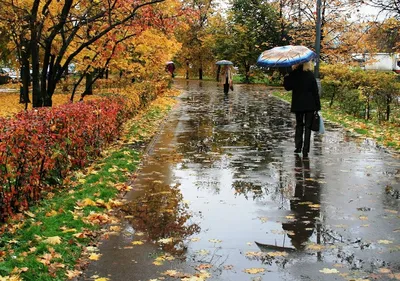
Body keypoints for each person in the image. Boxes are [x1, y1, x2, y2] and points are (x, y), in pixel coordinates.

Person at [283, 61, 321, 158]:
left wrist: (286, 76)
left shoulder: (293, 74)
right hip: (310, 105)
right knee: (308, 127)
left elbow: (287, 87)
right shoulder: (310, 75)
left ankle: (298, 147)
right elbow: (315, 91)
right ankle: (305, 150)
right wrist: (318, 106)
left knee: (299, 125)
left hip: (298, 105)